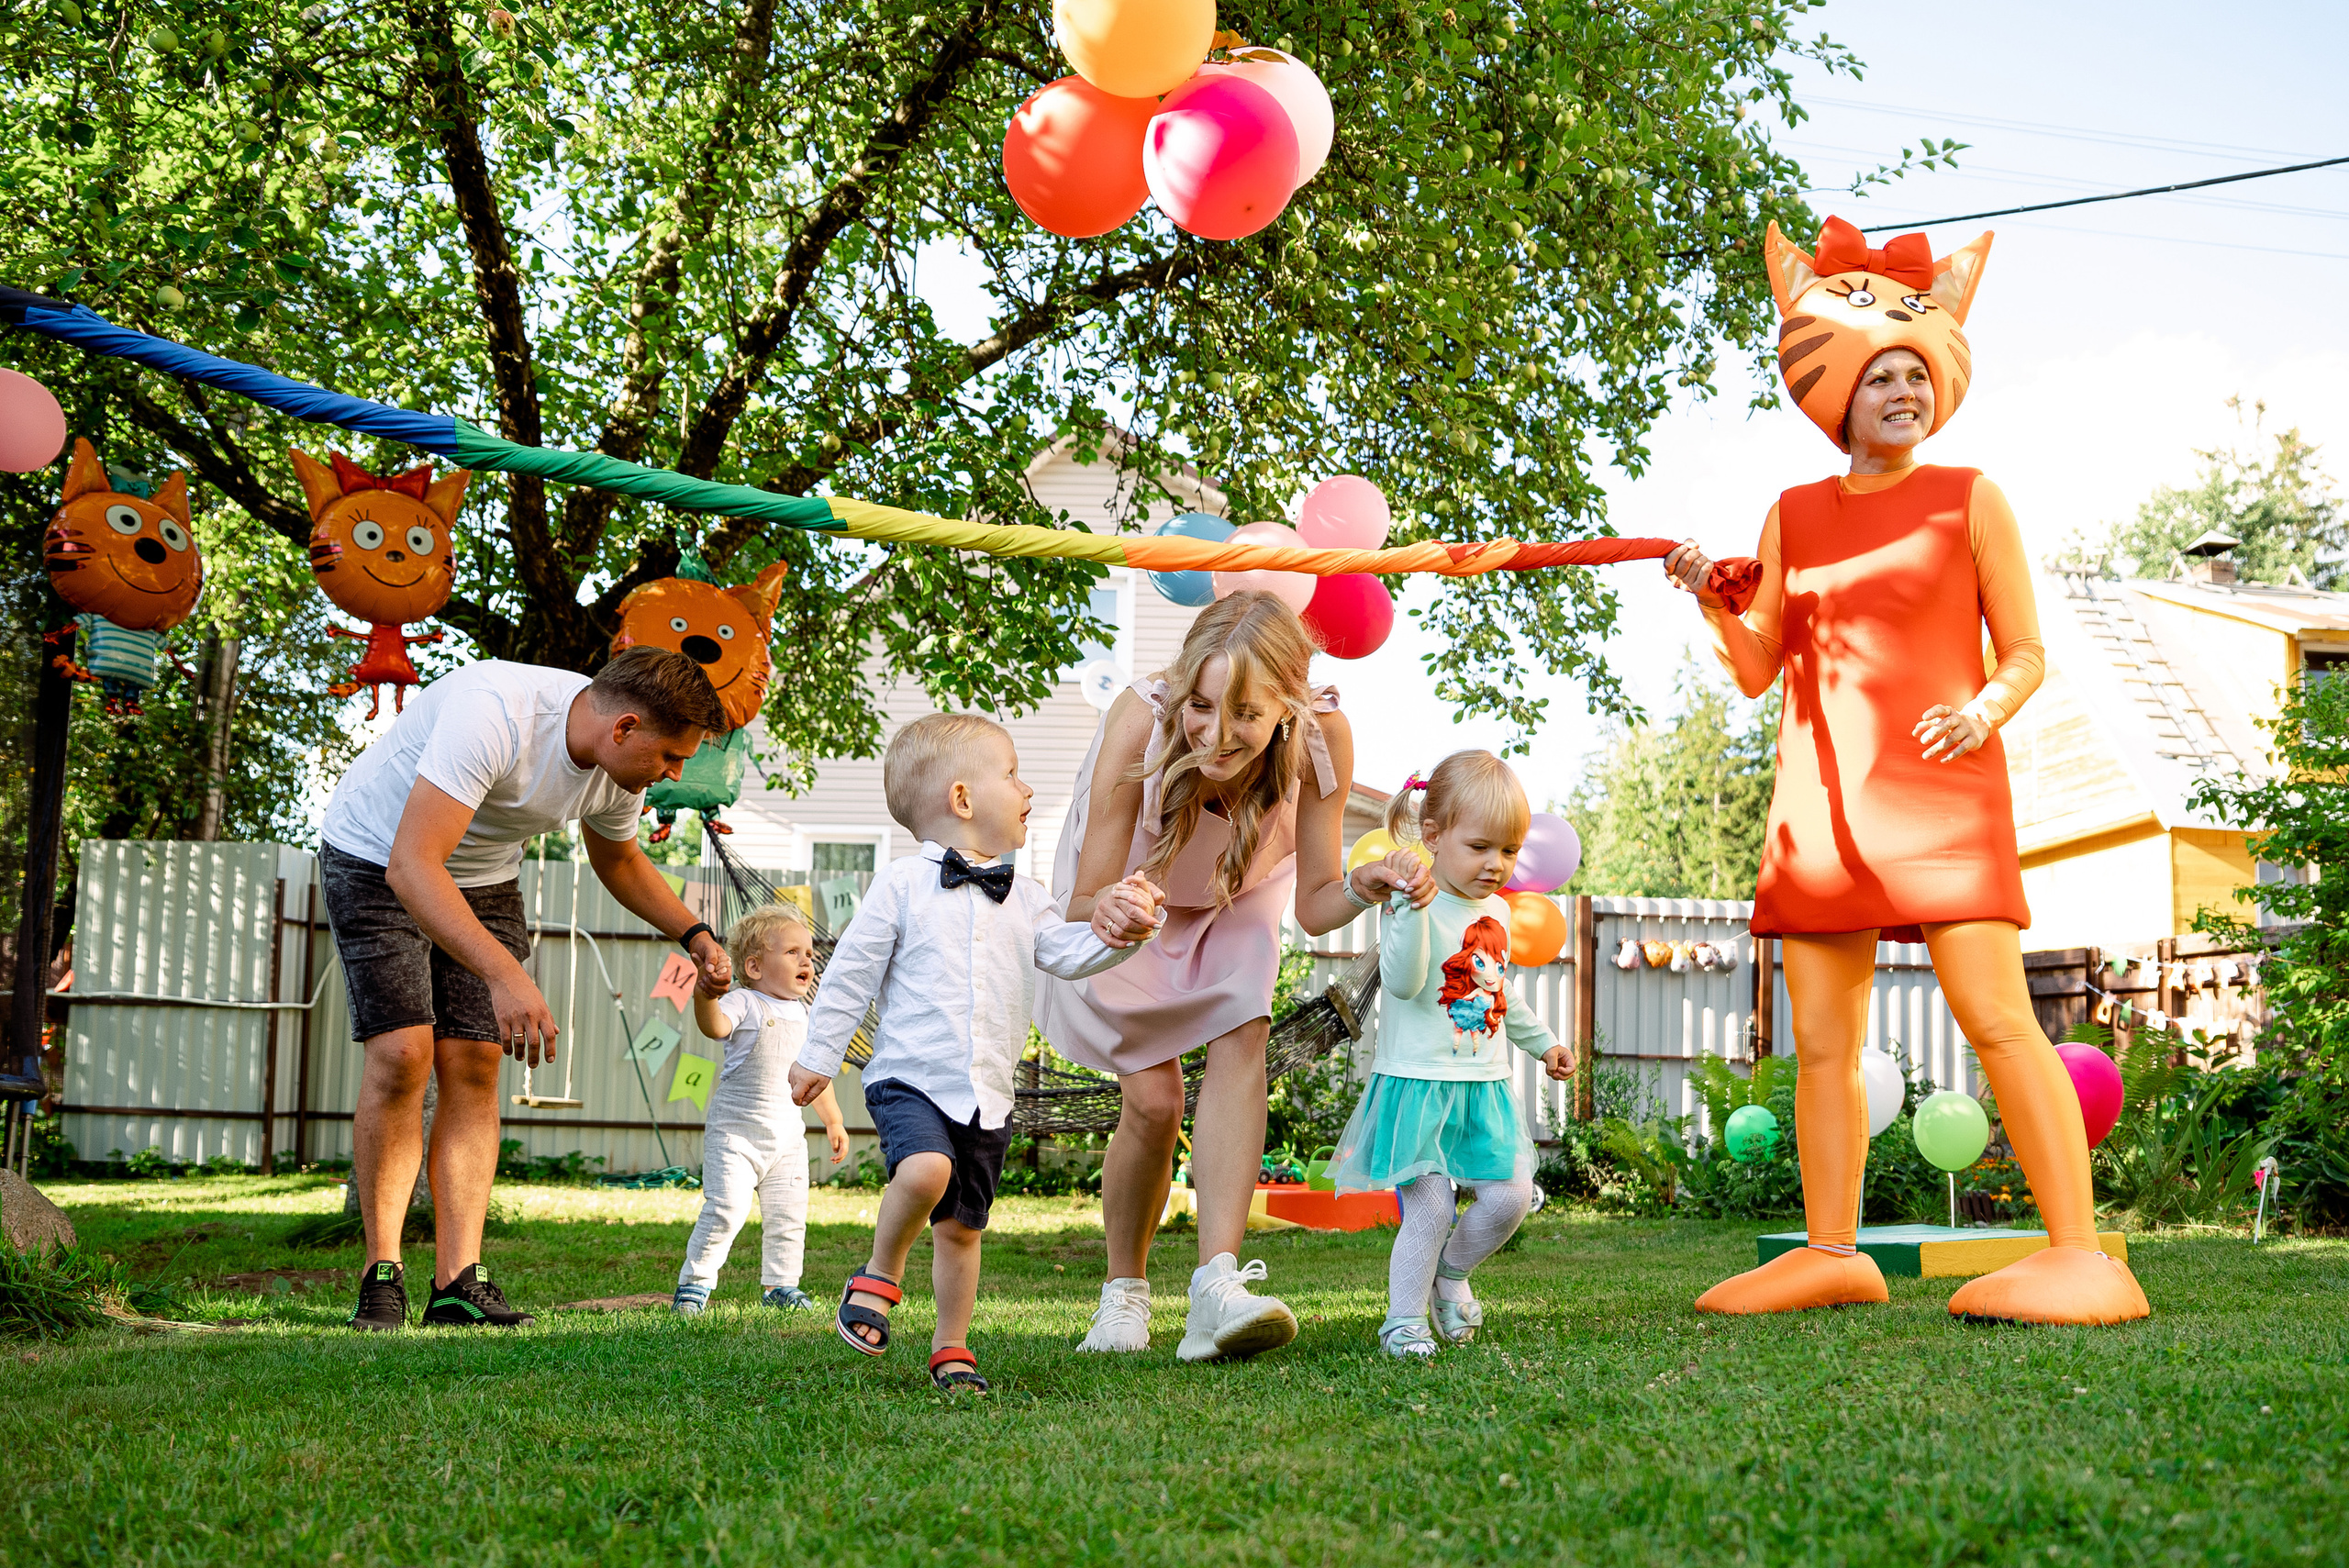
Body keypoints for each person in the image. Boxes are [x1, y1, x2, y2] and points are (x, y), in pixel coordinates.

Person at [1662, 216, 2149, 1324]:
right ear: (1835, 393)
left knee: (1996, 1016)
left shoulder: (1971, 495)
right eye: (1879, 374)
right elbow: (1755, 668)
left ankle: (2081, 1252)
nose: (1902, 390)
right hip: (1822, 807)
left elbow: (2023, 651)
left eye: (1915, 373)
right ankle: (1832, 1250)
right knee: (1824, 1043)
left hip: (1943, 793)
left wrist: (1983, 708)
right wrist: (1709, 597)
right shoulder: (1793, 513)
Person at [1039, 591, 1435, 1362]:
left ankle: (1215, 1287)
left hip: (1236, 898)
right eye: (1201, 705)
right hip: (1133, 896)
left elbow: (1318, 906)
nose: (1217, 737)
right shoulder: (1137, 721)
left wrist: (1368, 881)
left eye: (1247, 715)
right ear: (1181, 686)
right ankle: (1123, 1294)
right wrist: (1112, 907)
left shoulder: (1323, 740)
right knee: (1154, 1103)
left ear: (1288, 706)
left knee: (1244, 1031)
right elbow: (1085, 895)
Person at [322, 648, 736, 1331]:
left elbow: (620, 858)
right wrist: (506, 973)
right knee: (402, 1055)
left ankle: (458, 1281)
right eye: (671, 756)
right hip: (380, 857)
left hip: (482, 876)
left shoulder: (615, 770)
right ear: (625, 727)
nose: (675, 775)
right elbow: (414, 866)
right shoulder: (496, 714)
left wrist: (693, 932)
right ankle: (381, 1273)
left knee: (476, 1059)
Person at [788, 712, 1162, 1391]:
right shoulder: (900, 885)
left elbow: (1071, 953)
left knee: (962, 1228)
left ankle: (951, 1346)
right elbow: (850, 973)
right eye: (1012, 773)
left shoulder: (1025, 895)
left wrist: (1127, 930)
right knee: (926, 1170)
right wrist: (819, 1055)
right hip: (909, 1077)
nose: (1026, 788)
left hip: (988, 1093)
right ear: (963, 799)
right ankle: (878, 1272)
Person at [1329, 751, 1576, 1357]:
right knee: (1432, 1204)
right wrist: (1410, 909)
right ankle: (1403, 1321)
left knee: (1511, 1194)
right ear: (1434, 837)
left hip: (1482, 1087)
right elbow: (1407, 981)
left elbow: (1496, 988)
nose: (1496, 864)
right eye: (1481, 846)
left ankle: (1453, 1273)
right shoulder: (1413, 902)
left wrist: (1544, 1043)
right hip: (1416, 1085)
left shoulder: (1496, 910)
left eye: (1510, 850)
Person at [673, 903, 849, 1317]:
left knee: (789, 1216)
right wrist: (705, 996)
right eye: (792, 953)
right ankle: (695, 1285)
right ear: (753, 966)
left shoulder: (809, 1016)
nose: (807, 960)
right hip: (737, 1135)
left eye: (808, 954)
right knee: (725, 1210)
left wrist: (834, 1119)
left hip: (787, 1140)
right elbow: (714, 1026)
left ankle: (781, 1284)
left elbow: (814, 1078)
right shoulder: (744, 1002)